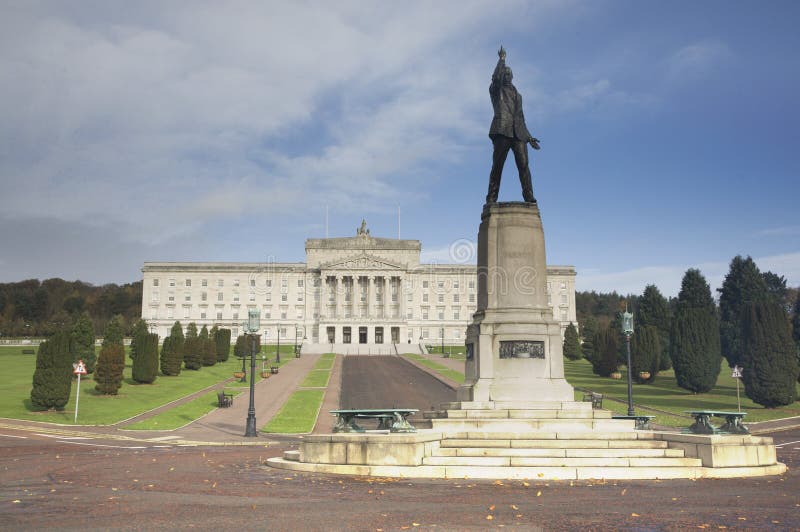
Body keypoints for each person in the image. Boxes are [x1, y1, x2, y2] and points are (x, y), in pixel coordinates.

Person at [486, 46, 540, 204]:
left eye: (509, 74)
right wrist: (501, 60)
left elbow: (521, 118)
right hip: (502, 130)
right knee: (497, 166)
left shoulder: (518, 96)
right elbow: (495, 78)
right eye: (505, 74)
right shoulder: (496, 90)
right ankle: (491, 197)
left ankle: (528, 196)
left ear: (513, 77)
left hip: (518, 134)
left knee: (524, 166)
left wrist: (529, 138)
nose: (507, 76)